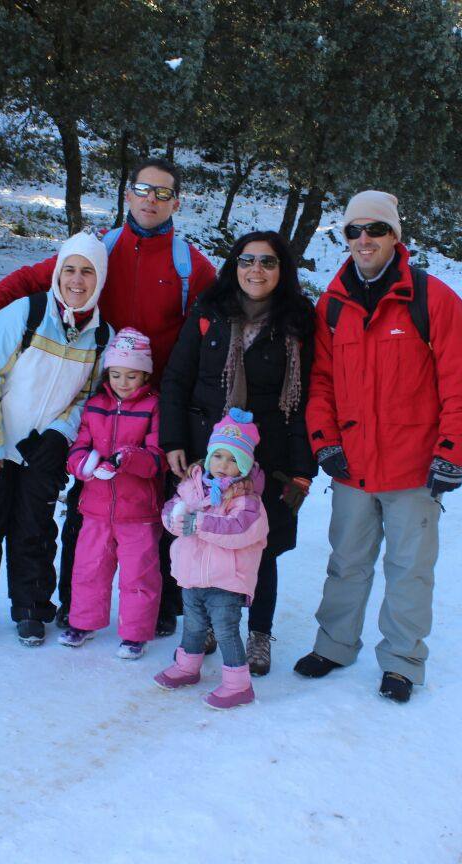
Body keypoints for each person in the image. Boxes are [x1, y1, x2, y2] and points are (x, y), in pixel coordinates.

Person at [0, 158, 218, 636]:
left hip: (155, 403)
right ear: (128, 195)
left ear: (176, 203)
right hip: (93, 396)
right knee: (88, 502)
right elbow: (34, 278)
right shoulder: (101, 250)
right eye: (143, 189)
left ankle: (159, 605)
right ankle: (75, 603)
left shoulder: (191, 265)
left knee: (154, 504)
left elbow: (218, 321)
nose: (151, 200)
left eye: (163, 194)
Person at [293, 190, 462, 703]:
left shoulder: (432, 300)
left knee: (409, 570)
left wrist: (452, 451)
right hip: (353, 468)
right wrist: (324, 441)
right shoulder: (332, 306)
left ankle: (401, 661)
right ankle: (334, 646)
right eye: (352, 231)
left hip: (414, 470)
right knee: (345, 562)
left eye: (374, 229)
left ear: (395, 236)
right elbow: (321, 383)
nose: (363, 240)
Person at [159, 230, 316, 676]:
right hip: (208, 456)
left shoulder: (298, 321)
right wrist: (173, 441)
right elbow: (176, 378)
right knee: (203, 538)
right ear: (234, 266)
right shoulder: (210, 312)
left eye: (268, 262)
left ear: (281, 270)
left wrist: (303, 472)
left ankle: (259, 634)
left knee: (258, 545)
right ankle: (207, 625)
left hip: (272, 459)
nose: (256, 270)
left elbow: (307, 399)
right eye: (247, 260)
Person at [0, 232, 112, 647]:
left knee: (34, 529)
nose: (77, 280)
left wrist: (60, 435)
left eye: (88, 272)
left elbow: (87, 397)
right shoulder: (25, 314)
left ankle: (31, 609)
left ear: (101, 278)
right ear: (57, 273)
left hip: (41, 450)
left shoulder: (102, 337)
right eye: (70, 270)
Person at [59, 328, 164, 660]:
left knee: (138, 575)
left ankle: (135, 633)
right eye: (116, 374)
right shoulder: (95, 406)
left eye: (131, 375)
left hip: (138, 512)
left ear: (145, 373)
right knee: (89, 568)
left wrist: (128, 459)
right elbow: (79, 447)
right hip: (96, 508)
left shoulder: (153, 407)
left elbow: (156, 459)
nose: (122, 381)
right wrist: (83, 465)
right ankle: (83, 623)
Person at [153, 409, 269, 710]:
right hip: (192, 574)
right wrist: (175, 520)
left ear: (243, 465)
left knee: (227, 630)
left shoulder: (247, 500)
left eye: (233, 460)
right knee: (193, 625)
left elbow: (238, 530)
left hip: (226, 580)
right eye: (218, 456)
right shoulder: (194, 486)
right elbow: (173, 508)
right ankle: (187, 667)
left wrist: (198, 524)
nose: (223, 465)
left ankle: (238, 685)